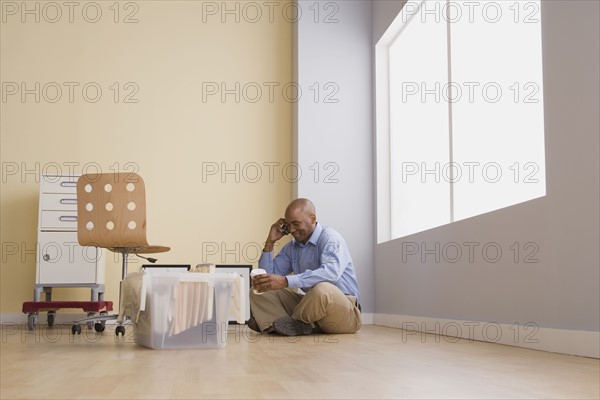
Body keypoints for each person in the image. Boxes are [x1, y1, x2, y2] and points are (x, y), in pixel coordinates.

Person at [248, 198, 361, 336]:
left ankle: (293, 323)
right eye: (288, 225)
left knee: (322, 289)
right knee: (261, 288)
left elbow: (331, 273)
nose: (292, 230)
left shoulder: (331, 238)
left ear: (312, 218)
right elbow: (267, 276)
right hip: (310, 308)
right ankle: (278, 326)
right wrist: (270, 241)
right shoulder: (292, 248)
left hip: (345, 310)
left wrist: (286, 281)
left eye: (296, 223)